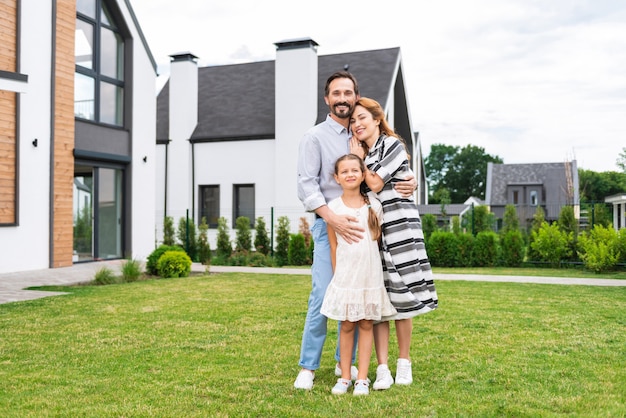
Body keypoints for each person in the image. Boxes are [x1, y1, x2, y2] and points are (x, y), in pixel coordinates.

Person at [294, 72, 417, 390]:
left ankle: (343, 362)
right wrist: (331, 219)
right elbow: (306, 186)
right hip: (330, 225)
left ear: (355, 96)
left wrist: (411, 179)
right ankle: (308, 366)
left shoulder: (363, 132)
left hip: (367, 225)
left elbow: (387, 165)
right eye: (336, 93)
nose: (342, 98)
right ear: (327, 99)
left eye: (348, 92)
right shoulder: (315, 137)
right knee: (324, 294)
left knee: (358, 298)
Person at [349, 97, 438, 391]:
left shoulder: (392, 145)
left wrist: (358, 160)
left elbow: (374, 183)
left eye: (362, 117)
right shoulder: (366, 152)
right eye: (353, 121)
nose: (357, 124)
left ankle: (404, 363)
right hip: (375, 232)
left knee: (403, 297)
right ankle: (382, 368)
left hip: (400, 228)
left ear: (377, 118)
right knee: (380, 299)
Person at [320, 154, 396, 396]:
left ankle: (362, 378)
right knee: (347, 325)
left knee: (366, 323)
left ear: (363, 174)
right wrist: (337, 276)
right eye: (344, 171)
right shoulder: (333, 209)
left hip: (370, 277)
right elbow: (333, 246)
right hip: (346, 277)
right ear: (336, 177)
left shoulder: (374, 204)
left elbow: (377, 240)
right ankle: (345, 376)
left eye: (355, 169)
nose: (350, 174)